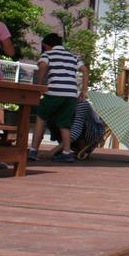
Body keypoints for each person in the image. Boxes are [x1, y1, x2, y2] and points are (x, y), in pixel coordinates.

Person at [29, 33, 88, 163]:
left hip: (55, 92)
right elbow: (84, 69)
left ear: (46, 45)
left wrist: (38, 86)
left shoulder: (48, 55)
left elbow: (43, 66)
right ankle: (67, 152)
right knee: (64, 123)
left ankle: (33, 150)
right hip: (71, 94)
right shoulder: (73, 56)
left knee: (41, 117)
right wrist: (83, 90)